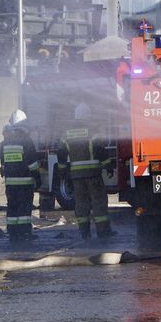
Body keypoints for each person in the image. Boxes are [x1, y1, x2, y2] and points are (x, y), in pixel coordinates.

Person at [58, 103, 115, 240]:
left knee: (81, 204)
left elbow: (61, 154)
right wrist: (108, 166)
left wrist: (63, 171)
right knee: (98, 202)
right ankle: (103, 232)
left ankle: (84, 232)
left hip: (76, 176)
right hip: (93, 174)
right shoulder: (92, 131)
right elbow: (100, 150)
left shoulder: (67, 133)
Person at [0, 110, 41, 243]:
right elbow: (32, 163)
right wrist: (37, 178)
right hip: (25, 182)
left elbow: (3, 163)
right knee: (24, 208)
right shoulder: (27, 141)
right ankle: (25, 232)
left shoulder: (6, 142)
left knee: (12, 207)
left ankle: (13, 233)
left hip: (10, 183)